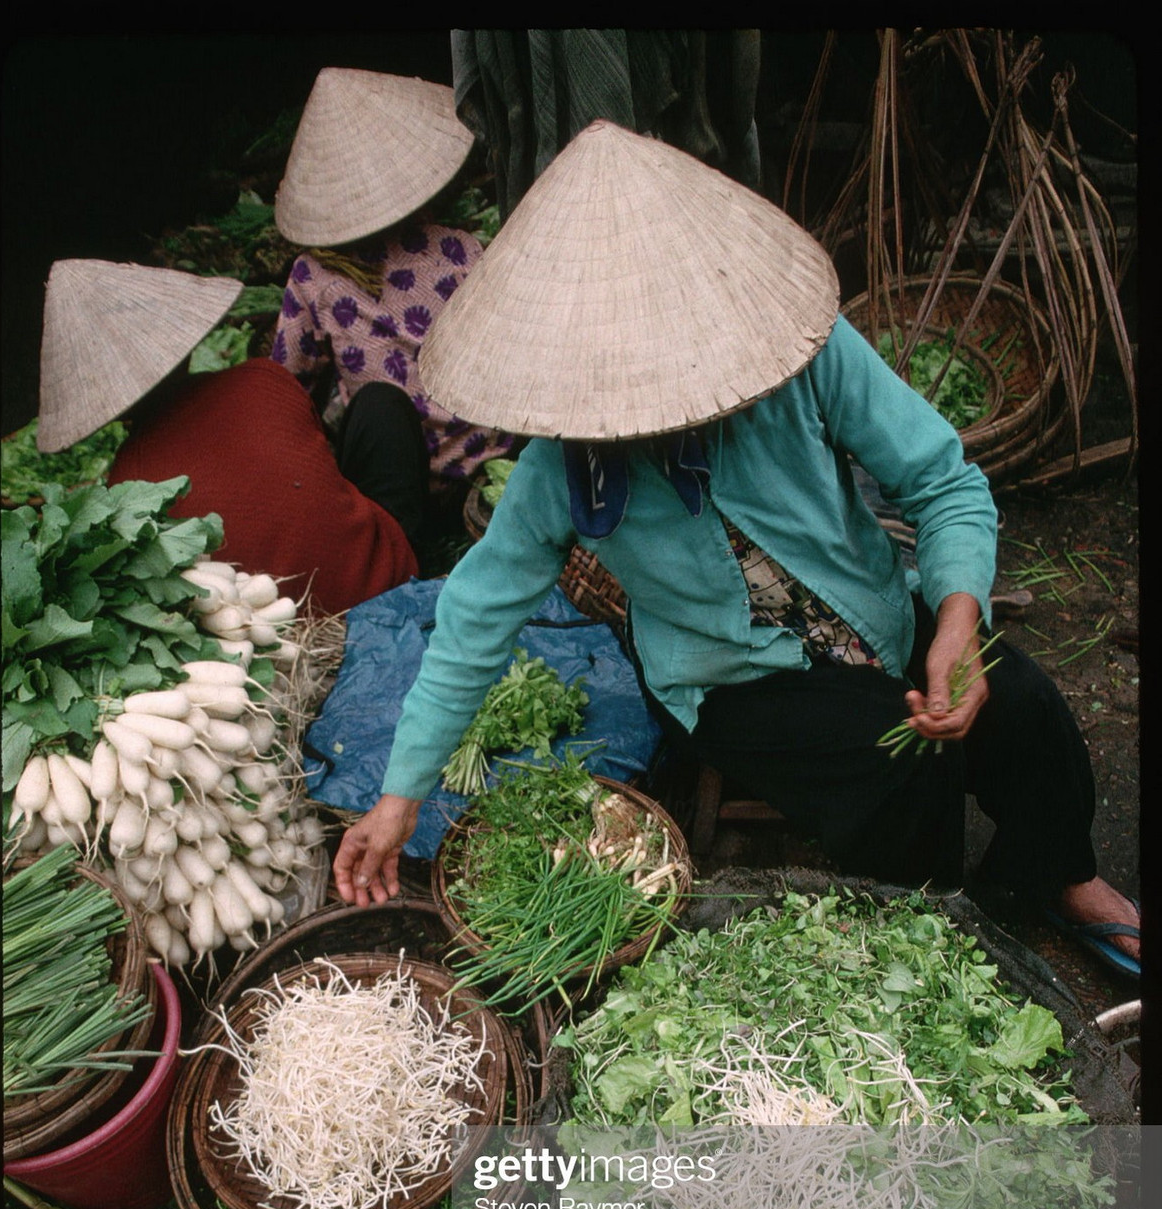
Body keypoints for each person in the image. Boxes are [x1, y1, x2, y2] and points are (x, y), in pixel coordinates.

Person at [332, 121, 1139, 981]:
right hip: (732, 677)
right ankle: (941, 932)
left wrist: (954, 621)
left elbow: (943, 482)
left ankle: (1058, 875)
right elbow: (470, 626)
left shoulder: (805, 355)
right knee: (900, 769)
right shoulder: (558, 472)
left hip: (869, 606)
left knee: (1024, 704)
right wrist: (398, 797)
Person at [36, 259, 423, 616]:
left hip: (280, 634)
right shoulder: (262, 379)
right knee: (380, 403)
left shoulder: (126, 487)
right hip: (386, 584)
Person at [270, 66, 516, 519]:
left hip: (402, 480)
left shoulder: (312, 275)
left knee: (372, 408)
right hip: (492, 463)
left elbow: (288, 388)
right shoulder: (461, 248)